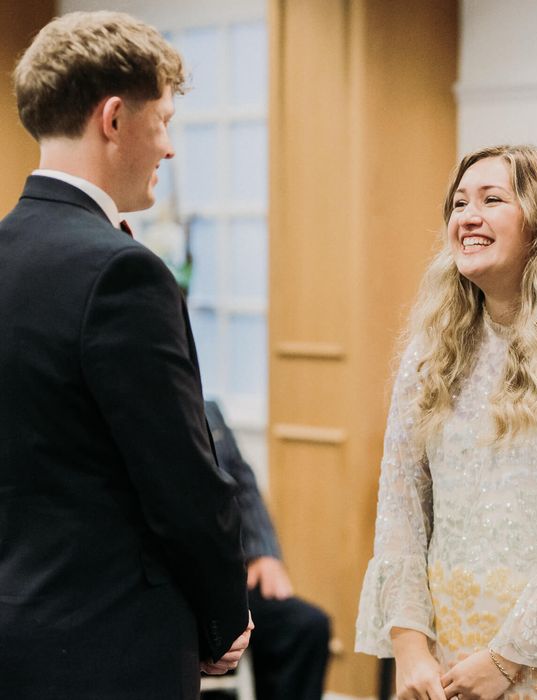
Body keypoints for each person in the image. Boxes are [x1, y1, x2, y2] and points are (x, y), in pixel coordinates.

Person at [0, 12, 252, 699]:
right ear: (114, 119)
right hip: (109, 646)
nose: (169, 149)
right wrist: (222, 619)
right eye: (163, 120)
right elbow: (182, 482)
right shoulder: (123, 272)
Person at [355, 145, 537, 699]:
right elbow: (399, 505)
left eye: (492, 200)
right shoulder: (429, 353)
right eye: (459, 203)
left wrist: (505, 660)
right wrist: (412, 646)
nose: (467, 216)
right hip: (444, 661)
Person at [203, 401, 331, 700]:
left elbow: (243, 484)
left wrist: (264, 554)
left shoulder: (210, 411)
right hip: (181, 587)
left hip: (234, 582)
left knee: (307, 626)